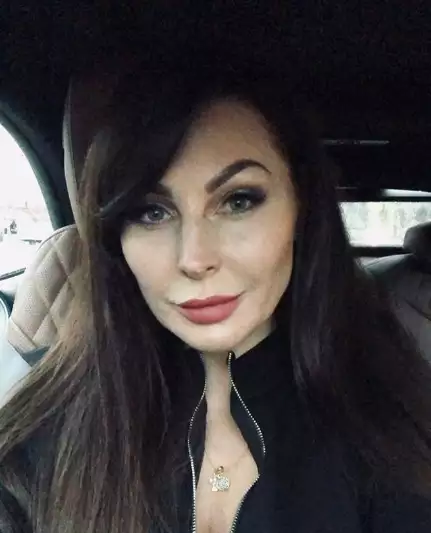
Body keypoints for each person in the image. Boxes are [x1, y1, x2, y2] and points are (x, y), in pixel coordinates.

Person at [1, 60, 431, 533]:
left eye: (238, 201)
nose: (195, 258)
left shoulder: (392, 422)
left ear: (302, 210)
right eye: (151, 212)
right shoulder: (46, 430)